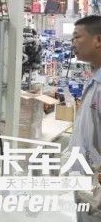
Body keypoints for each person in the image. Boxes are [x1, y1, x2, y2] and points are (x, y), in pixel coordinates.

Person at [70, 15, 101, 221]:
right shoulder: (94, 80)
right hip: (86, 186)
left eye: (77, 37)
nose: (73, 43)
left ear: (98, 40)